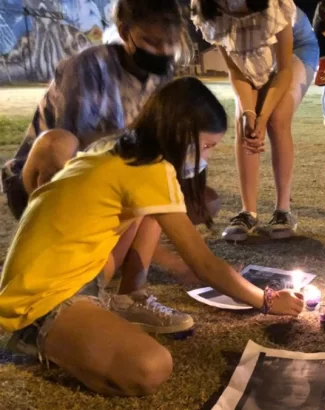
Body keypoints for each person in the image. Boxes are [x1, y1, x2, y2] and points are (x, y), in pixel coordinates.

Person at [1, 77, 305, 397]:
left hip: (73, 271)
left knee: (153, 208)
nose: (207, 158)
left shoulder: (123, 148)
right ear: (179, 134)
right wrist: (268, 300)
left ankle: (122, 299)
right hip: (43, 296)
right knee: (150, 367)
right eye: (205, 147)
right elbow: (204, 263)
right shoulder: (150, 169)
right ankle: (37, 334)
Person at [0, 0, 210, 334]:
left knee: (152, 176)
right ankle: (66, 288)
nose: (162, 51)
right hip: (44, 181)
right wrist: (173, 260)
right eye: (153, 42)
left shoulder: (161, 74)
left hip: (105, 177)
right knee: (125, 171)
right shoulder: (87, 68)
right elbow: (79, 160)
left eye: (169, 43)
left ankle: (129, 297)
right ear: (126, 32)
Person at [191, 0, 318, 242]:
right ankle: (247, 211)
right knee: (243, 122)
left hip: (295, 51)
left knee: (277, 117)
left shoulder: (274, 6)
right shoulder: (207, 10)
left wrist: (262, 118)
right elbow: (236, 71)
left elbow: (283, 71)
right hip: (253, 57)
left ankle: (283, 211)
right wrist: (250, 115)